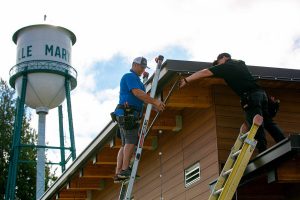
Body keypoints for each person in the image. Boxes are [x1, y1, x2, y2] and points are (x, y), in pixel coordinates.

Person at [179, 53, 285, 153]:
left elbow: (205, 72)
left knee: (256, 125)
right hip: (261, 94)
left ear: (225, 57)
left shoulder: (227, 66)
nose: (217, 65)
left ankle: (263, 151)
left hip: (250, 97)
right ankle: (283, 142)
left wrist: (187, 80)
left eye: (218, 62)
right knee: (268, 122)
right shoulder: (240, 63)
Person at [112, 56, 165, 183]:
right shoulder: (129, 77)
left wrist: (153, 107)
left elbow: (141, 100)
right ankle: (125, 170)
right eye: (141, 67)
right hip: (128, 113)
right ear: (134, 65)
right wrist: (155, 101)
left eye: (144, 68)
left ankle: (119, 172)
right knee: (131, 141)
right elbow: (137, 93)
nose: (142, 70)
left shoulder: (138, 81)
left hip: (126, 113)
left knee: (125, 144)